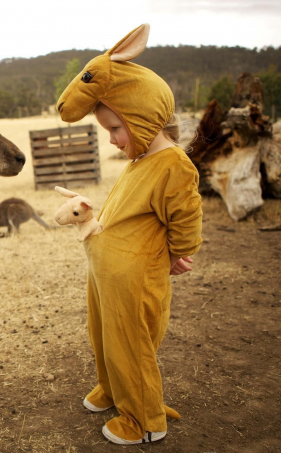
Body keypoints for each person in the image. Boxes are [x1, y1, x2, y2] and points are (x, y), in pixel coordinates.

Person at [56, 24, 203, 445]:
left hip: (134, 279)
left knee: (131, 346)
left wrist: (179, 253)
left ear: (140, 118)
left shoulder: (173, 163)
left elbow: (186, 217)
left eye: (115, 129)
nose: (113, 140)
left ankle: (144, 421)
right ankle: (113, 388)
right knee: (103, 334)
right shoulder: (141, 160)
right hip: (106, 276)